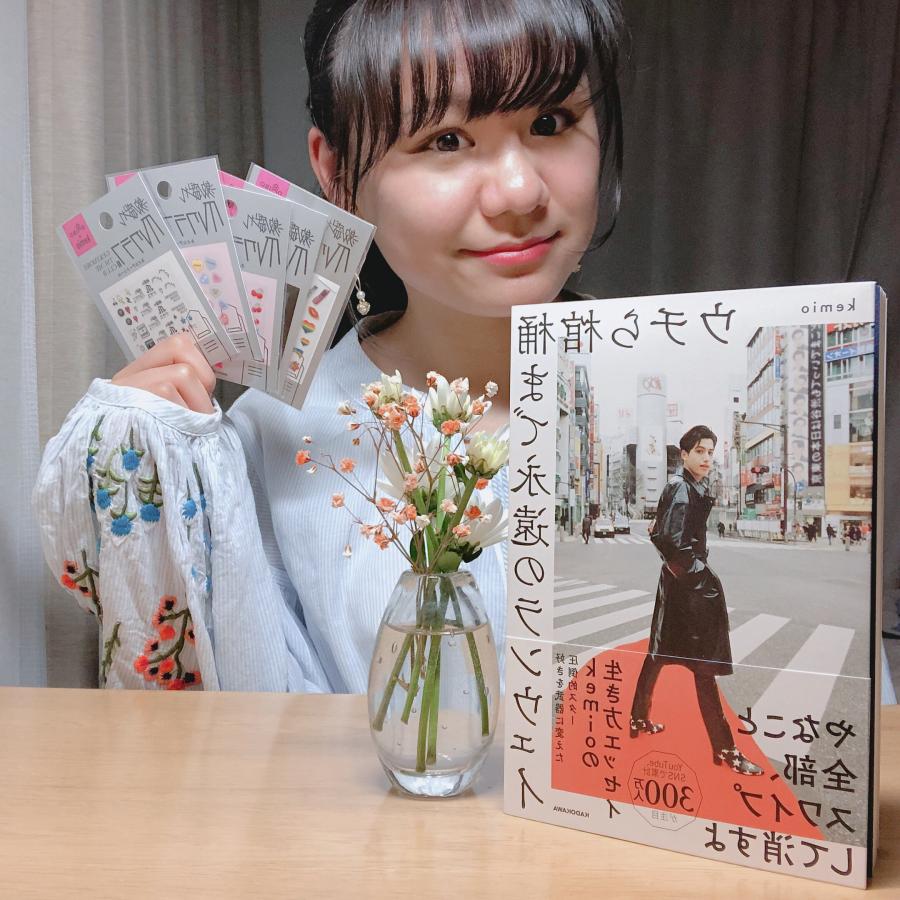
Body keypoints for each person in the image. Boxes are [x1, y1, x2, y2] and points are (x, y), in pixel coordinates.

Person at [32, 0, 626, 691]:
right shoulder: (275, 440)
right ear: (339, 173)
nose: (519, 192)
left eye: (550, 122)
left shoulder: (688, 388)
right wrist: (138, 457)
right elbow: (240, 719)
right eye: (446, 140)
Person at [630, 425, 763, 776]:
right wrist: (704, 578)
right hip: (688, 587)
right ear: (684, 454)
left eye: (710, 452)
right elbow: (671, 542)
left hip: (678, 584)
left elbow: (660, 533)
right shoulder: (682, 487)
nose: (706, 458)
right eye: (700, 451)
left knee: (659, 654)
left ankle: (638, 718)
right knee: (703, 668)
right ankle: (725, 749)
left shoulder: (688, 486)